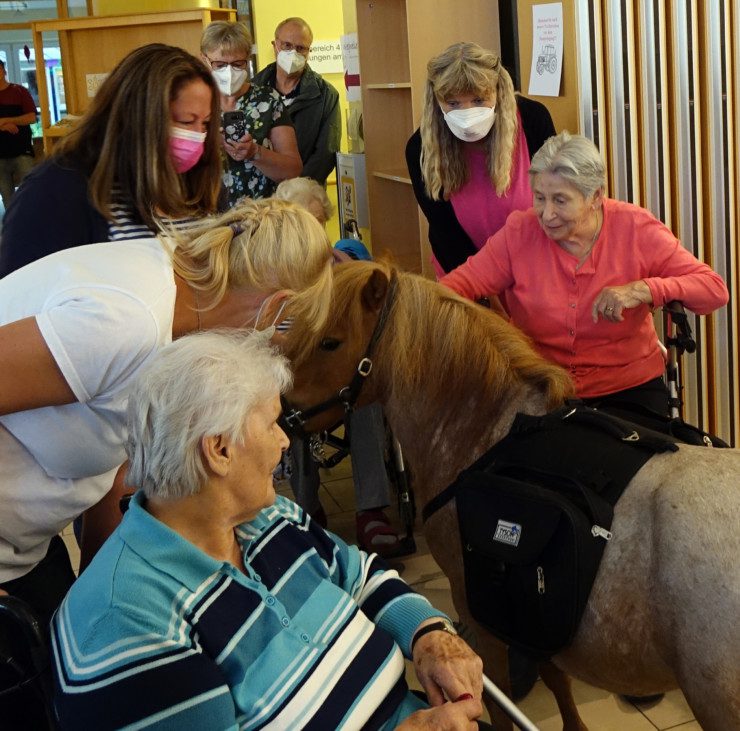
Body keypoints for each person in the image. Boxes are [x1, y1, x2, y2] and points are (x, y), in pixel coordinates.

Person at [50, 330, 486, 730]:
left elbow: (359, 574)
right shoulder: (129, 623)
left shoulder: (266, 516)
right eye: (272, 423)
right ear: (219, 450)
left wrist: (427, 634)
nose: (283, 441)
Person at [0, 198, 334, 628]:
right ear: (276, 311)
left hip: (28, 549)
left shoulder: (178, 313)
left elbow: (117, 458)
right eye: (278, 344)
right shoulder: (129, 322)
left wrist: (98, 599)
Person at [441, 131, 729, 414]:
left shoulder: (635, 228)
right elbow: (453, 288)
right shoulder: (519, 231)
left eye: (561, 200)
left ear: (595, 196)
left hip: (629, 388)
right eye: (539, 197)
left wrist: (642, 289)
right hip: (542, 387)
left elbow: (713, 290)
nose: (547, 213)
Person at [0, 44, 223, 277]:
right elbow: (20, 299)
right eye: (186, 122)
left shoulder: (199, 180)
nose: (198, 137)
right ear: (136, 116)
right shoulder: (55, 191)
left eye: (205, 124)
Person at [274, 177, 407, 557]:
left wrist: (350, 270)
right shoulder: (273, 272)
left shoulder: (342, 263)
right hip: (297, 375)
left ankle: (371, 510)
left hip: (337, 374)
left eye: (317, 221)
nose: (311, 231)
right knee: (290, 399)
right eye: (302, 221)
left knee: (364, 398)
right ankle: (305, 507)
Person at [405, 42, 555, 277]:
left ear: (498, 91)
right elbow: (445, 232)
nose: (467, 113)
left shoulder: (533, 119)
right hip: (464, 269)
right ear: (436, 102)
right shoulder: (421, 148)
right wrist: (483, 290)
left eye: (478, 100)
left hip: (536, 266)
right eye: (453, 103)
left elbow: (557, 199)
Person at [200, 20, 302, 205]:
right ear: (205, 60)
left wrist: (255, 152)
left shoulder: (267, 99)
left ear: (247, 60)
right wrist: (207, 146)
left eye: (237, 64)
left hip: (260, 216)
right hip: (207, 218)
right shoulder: (194, 102)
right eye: (220, 64)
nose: (229, 72)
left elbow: (293, 170)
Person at [253, 16, 341, 184]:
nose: (293, 52)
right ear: (275, 45)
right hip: (258, 196)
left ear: (309, 52)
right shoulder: (253, 89)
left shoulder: (326, 95)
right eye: (287, 45)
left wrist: (297, 188)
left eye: (301, 48)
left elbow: (326, 154)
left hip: (303, 195)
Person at [0, 59, 36, 213]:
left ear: (4, 71)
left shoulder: (19, 91)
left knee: (29, 193)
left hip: (22, 151)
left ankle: (32, 225)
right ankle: (13, 231)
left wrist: (7, 120)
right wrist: (2, 125)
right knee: (7, 198)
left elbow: (31, 118)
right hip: (0, 155)